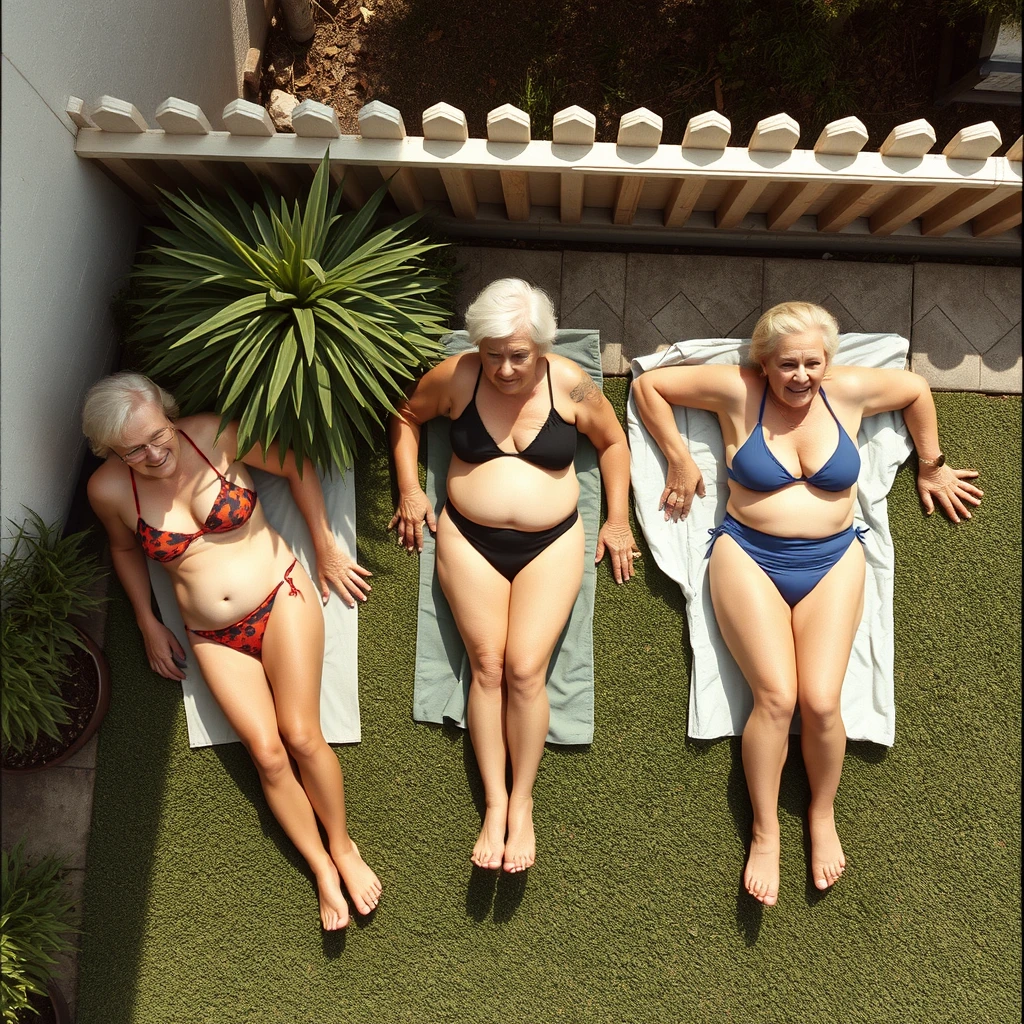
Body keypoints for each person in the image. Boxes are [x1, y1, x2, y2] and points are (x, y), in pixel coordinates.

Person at [632, 301, 982, 906]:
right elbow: (648, 386)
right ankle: (765, 834)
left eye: (812, 363)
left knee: (821, 702)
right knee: (776, 697)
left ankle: (821, 815)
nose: (800, 377)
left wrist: (932, 466)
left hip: (834, 558)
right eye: (788, 365)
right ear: (764, 364)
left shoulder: (846, 391)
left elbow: (916, 390)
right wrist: (680, 457)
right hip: (749, 557)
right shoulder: (737, 390)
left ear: (829, 361)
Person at [82, 373, 381, 930]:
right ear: (111, 452)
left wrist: (326, 549)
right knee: (266, 754)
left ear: (168, 414)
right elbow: (124, 548)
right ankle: (320, 867)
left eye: (157, 435)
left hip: (281, 595)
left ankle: (342, 846)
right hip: (211, 635)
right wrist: (147, 620)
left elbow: (296, 467)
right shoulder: (109, 489)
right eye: (134, 450)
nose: (153, 454)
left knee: (300, 734)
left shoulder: (217, 434)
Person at [389, 278, 639, 873]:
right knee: (488, 665)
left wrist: (619, 520)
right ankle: (495, 804)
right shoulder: (456, 376)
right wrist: (408, 490)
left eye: (518, 355)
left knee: (526, 669)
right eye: (492, 353)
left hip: (552, 542)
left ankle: (522, 802)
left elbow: (612, 445)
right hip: (467, 538)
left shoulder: (573, 385)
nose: (503, 369)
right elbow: (406, 418)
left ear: (542, 347)